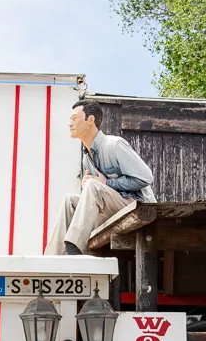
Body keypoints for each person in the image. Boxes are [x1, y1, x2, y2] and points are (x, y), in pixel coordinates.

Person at [45, 99, 156, 255]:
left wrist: (106, 182)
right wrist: (87, 186)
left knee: (93, 186)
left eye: (74, 118)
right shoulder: (87, 158)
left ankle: (74, 249)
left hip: (137, 207)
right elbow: (93, 198)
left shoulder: (114, 145)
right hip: (111, 210)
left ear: (90, 120)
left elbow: (145, 178)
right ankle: (51, 260)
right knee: (70, 200)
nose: (70, 123)